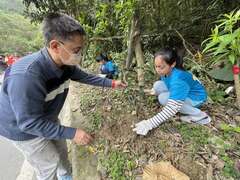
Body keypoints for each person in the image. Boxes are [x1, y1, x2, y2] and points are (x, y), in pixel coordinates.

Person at [0, 13, 126, 180]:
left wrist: (112, 84)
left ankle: (66, 176)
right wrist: (73, 133)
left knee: (60, 152)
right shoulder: (27, 76)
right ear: (55, 46)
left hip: (46, 117)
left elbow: (85, 77)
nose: (80, 54)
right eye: (76, 50)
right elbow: (29, 123)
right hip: (21, 129)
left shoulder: (66, 65)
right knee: (48, 164)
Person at [133, 48, 211, 136]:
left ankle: (200, 116)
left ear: (173, 64)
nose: (158, 70)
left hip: (196, 98)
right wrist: (154, 91)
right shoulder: (167, 71)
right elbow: (167, 83)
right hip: (185, 91)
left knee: (163, 98)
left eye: (161, 67)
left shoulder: (178, 79)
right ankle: (175, 98)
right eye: (156, 66)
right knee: (157, 85)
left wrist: (150, 123)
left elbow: (172, 107)